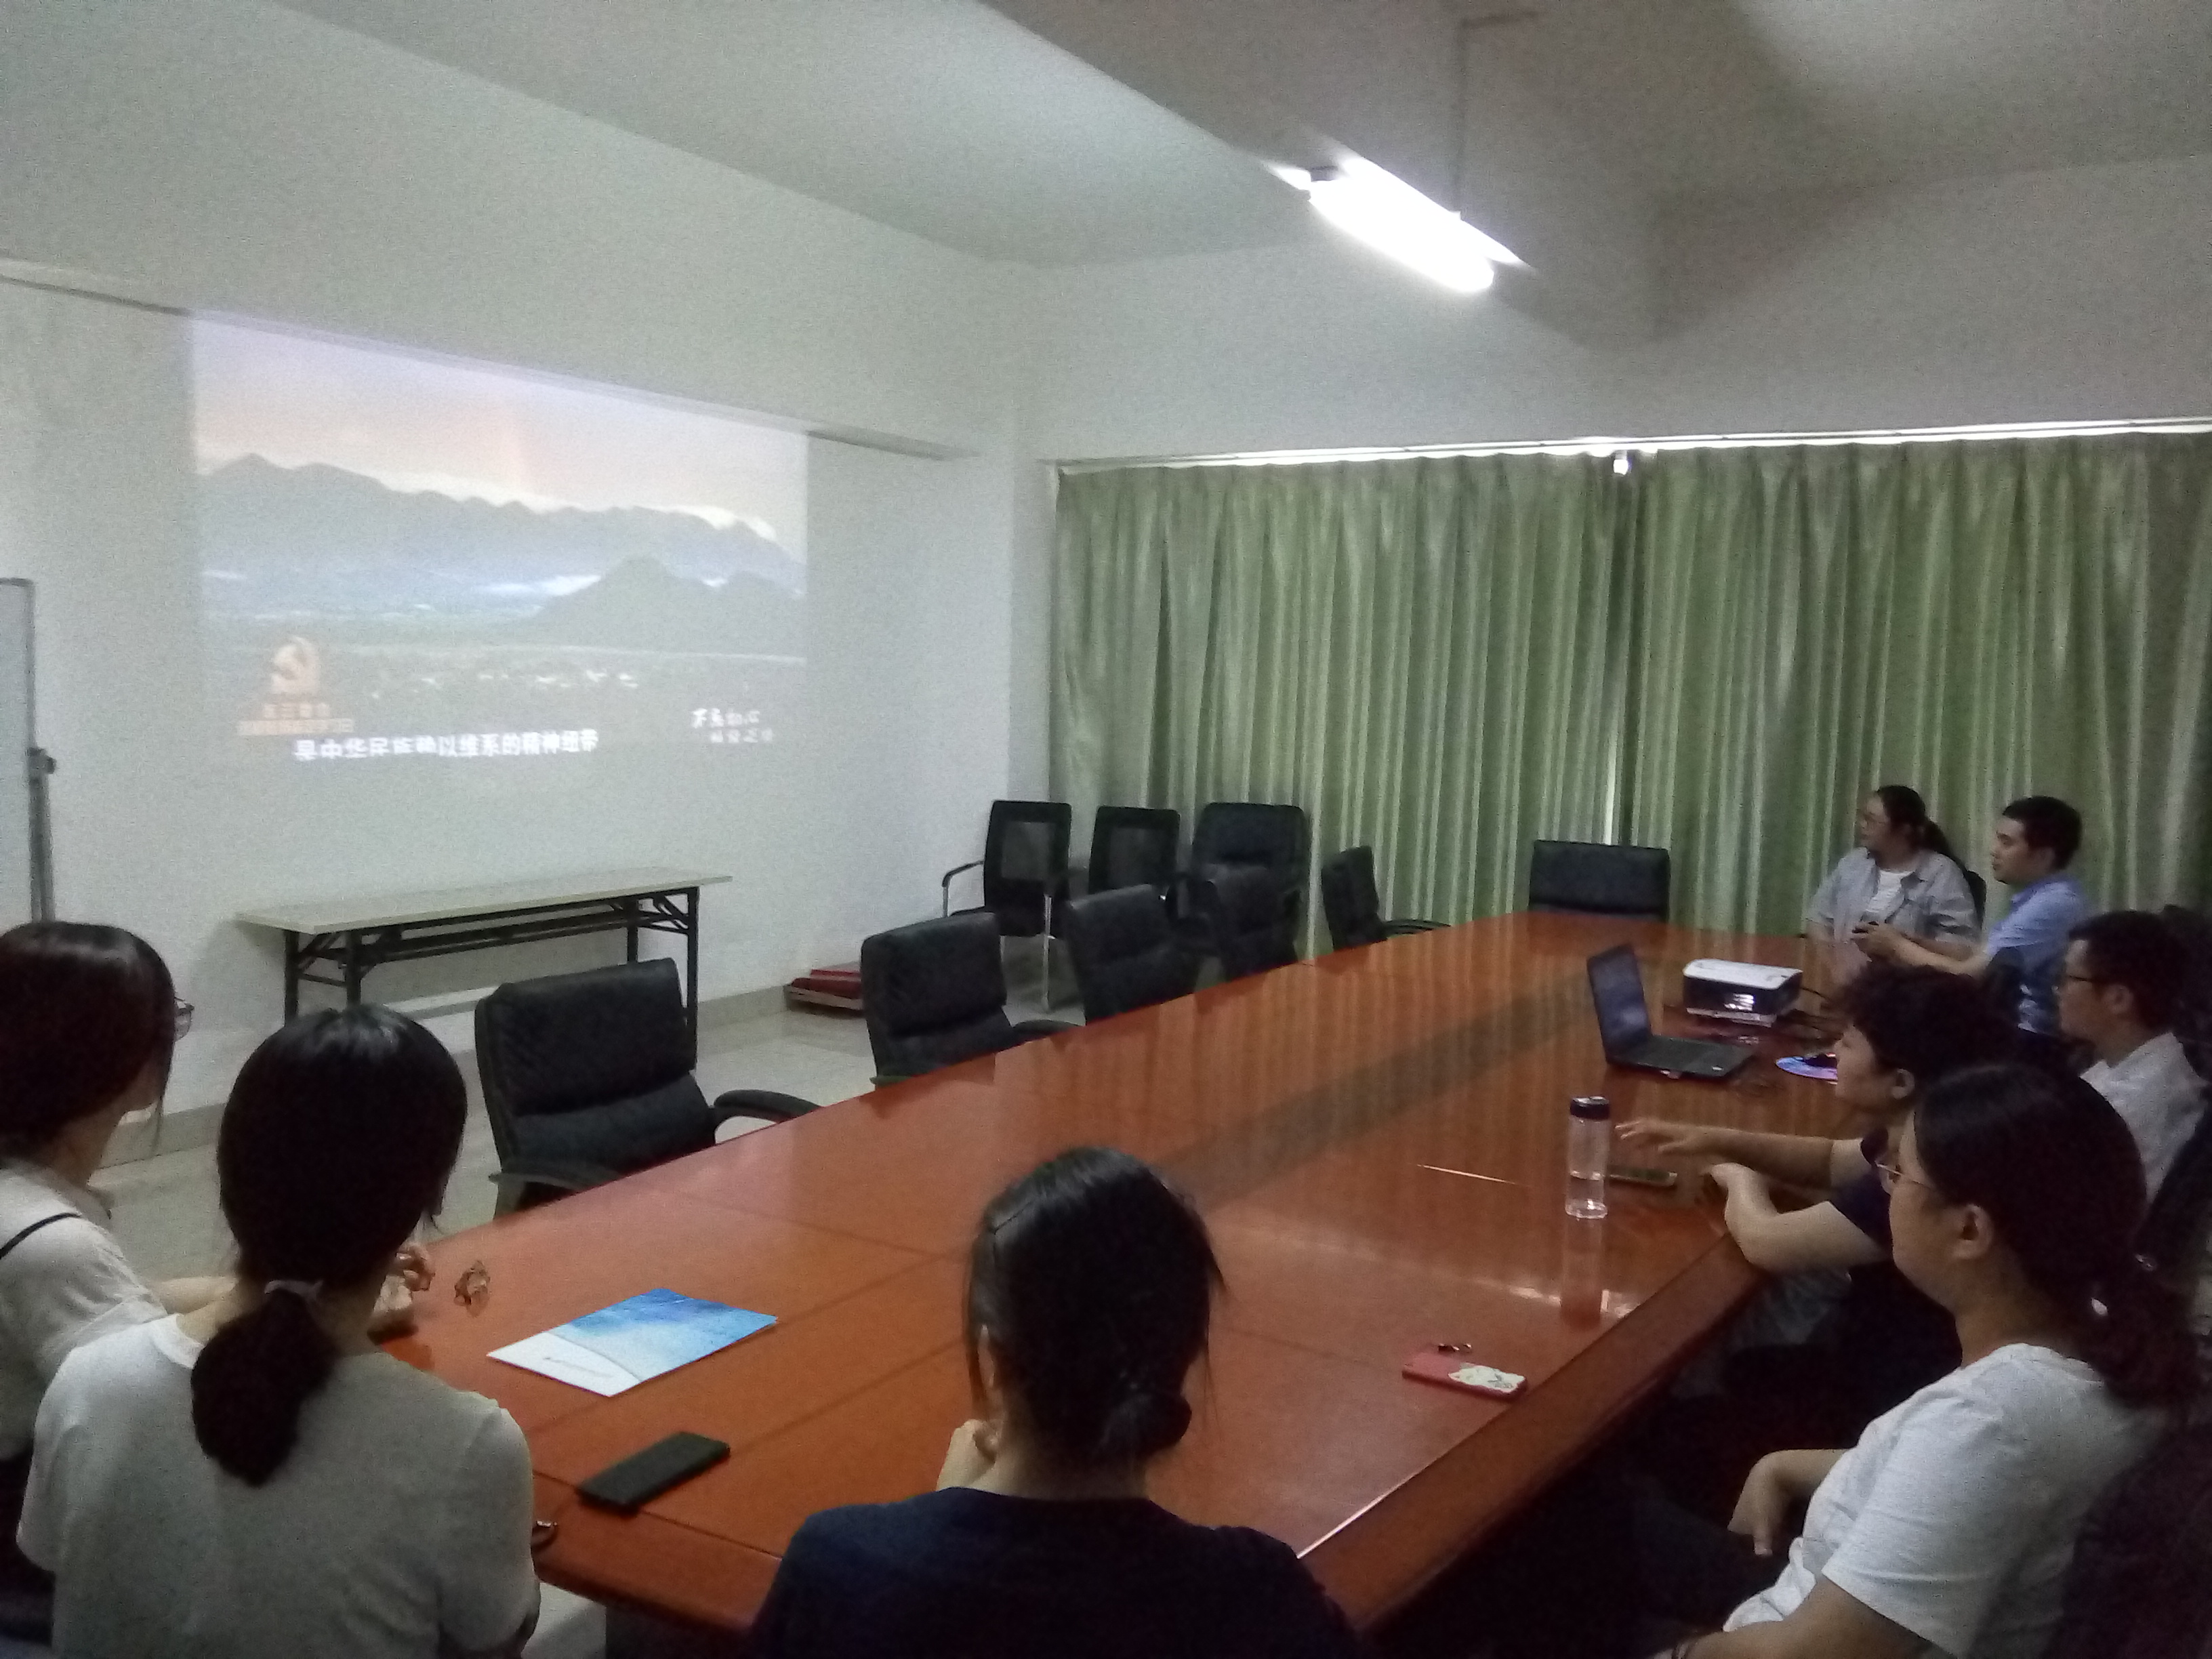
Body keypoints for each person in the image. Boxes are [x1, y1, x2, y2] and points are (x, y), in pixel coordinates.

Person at [19, 1006, 540, 1658]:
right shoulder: (467, 1444)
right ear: (428, 1197)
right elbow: (495, 1637)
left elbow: (53, 1563)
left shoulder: (87, 1378)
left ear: (230, 1177)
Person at [1666, 1063, 2198, 1659]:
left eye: (1898, 1174)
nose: (1885, 1191)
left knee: (1589, 1523)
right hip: (1824, 1589)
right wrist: (1784, 1464)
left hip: (1793, 1626)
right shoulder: (2104, 1331)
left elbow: (1806, 1654)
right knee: (1610, 1511)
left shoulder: (1994, 1421)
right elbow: (1960, 1488)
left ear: (1970, 1230)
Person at [748, 1147, 1361, 1659]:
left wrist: (945, 1514)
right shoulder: (1252, 1593)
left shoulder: (837, 1567)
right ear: (1180, 1354)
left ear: (992, 1357)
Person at [1618, 967, 2016, 1509]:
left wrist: (1740, 1180)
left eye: (1848, 1044)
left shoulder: (1924, 1174)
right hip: (1879, 1355)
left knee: (1671, 1404)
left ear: (1900, 1082)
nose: (1833, 1052)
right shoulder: (1930, 1127)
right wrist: (1714, 1138)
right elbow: (1832, 1161)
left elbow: (1768, 1242)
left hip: (1884, 1392)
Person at [0, 922, 234, 1622]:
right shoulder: (54, 1243)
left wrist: (258, 1288)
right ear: (133, 1066)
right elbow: (154, 1406)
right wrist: (318, 1304)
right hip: (29, 1565)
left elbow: (103, 1307)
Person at [1858, 795, 2089, 1038]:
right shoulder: (2043, 896)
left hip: (2029, 1037)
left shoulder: (2052, 905)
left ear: (2043, 856)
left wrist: (1896, 946)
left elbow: (1969, 976)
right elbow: (1982, 955)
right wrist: (1915, 941)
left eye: (2006, 843)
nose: (1994, 851)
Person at [2060, 910, 2207, 1197]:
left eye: (2067, 978)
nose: (2058, 990)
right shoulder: (2135, 1061)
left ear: (2119, 999)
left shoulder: (2126, 1106)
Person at [1805, 786, 1978, 955]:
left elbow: (1963, 948)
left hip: (1908, 972)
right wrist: (1833, 958)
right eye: (1862, 817)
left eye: (1871, 820)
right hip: (1844, 968)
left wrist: (1901, 946)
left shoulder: (1942, 873)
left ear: (1903, 829)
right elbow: (1818, 919)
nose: (1862, 825)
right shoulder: (1853, 862)